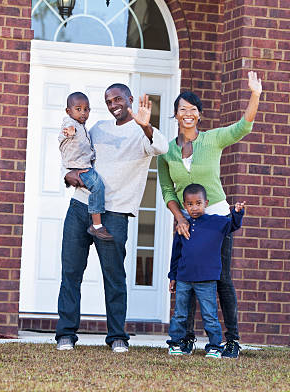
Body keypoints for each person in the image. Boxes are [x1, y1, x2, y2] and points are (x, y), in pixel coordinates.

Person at [55, 84, 169, 352]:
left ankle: (117, 336)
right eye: (108, 100)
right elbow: (74, 154)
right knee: (71, 272)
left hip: (115, 214)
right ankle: (66, 334)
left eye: (118, 99)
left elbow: (161, 147)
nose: (113, 104)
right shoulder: (97, 128)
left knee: (114, 277)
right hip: (80, 208)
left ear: (129, 99)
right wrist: (67, 176)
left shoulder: (142, 134)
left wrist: (146, 125)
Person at [158, 71, 262, 358]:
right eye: (182, 109)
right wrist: (179, 218)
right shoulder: (165, 150)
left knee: (222, 279)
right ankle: (187, 338)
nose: (187, 114)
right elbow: (167, 189)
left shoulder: (213, 139)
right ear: (175, 115)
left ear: (199, 116)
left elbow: (243, 127)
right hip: (186, 220)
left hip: (215, 218)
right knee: (186, 276)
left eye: (193, 110)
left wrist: (255, 94)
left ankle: (232, 341)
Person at [167, 184, 245, 359]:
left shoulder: (216, 222)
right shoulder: (183, 225)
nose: (194, 207)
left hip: (207, 279)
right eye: (190, 204)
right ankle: (175, 343)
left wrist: (238, 212)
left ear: (206, 203)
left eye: (198, 203)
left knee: (209, 315)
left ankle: (214, 346)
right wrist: (173, 276)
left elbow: (233, 225)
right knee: (180, 313)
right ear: (184, 205)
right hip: (184, 278)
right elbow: (176, 254)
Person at [58, 92, 113, 241]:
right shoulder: (70, 123)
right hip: (78, 167)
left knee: (97, 186)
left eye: (86, 109)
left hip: (82, 165)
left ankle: (96, 223)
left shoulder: (83, 126)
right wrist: (70, 131)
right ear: (68, 111)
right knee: (97, 186)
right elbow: (67, 130)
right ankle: (96, 226)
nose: (83, 112)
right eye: (78, 109)